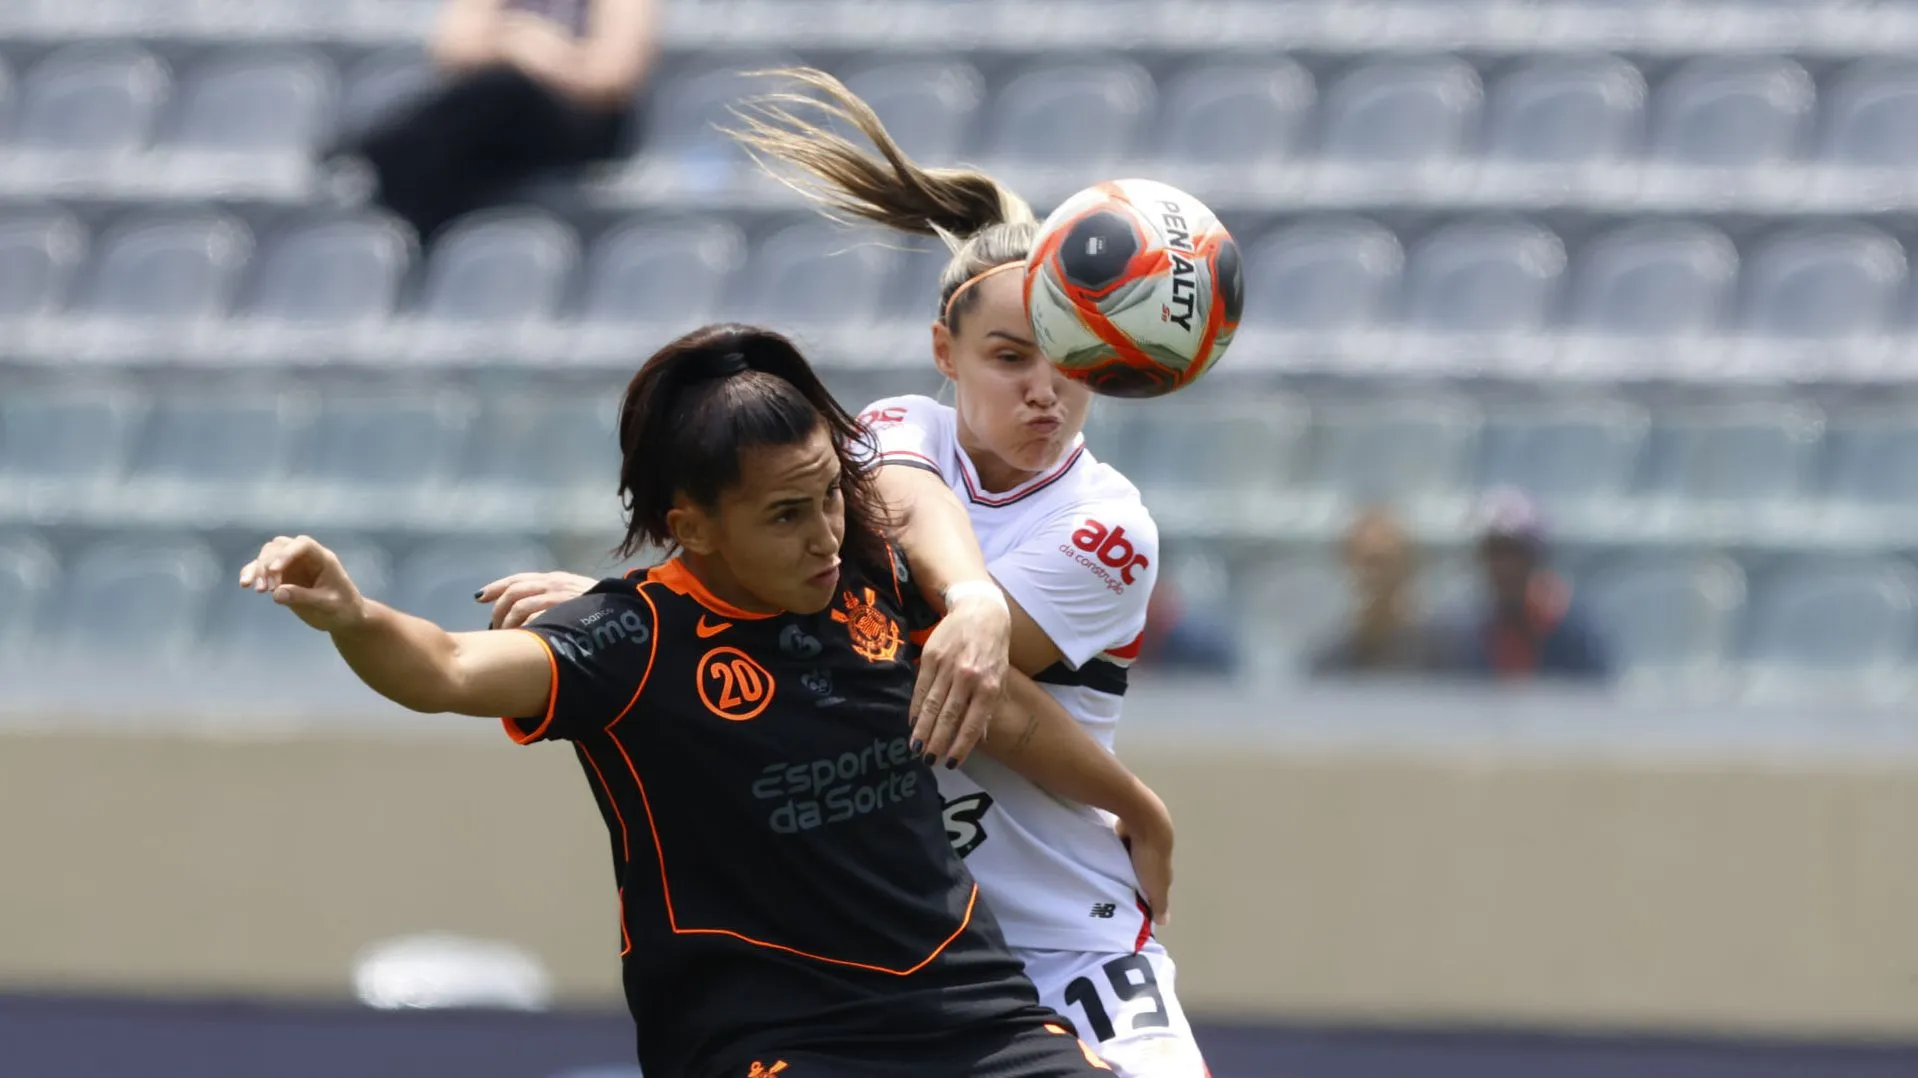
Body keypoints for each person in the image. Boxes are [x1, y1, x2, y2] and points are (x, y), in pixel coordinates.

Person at [482, 70, 1209, 1077]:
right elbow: (858, 555)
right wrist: (645, 610)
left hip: (1061, 930)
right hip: (904, 956)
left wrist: (644, 617)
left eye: (1070, 358)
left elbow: (948, 680)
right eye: (1008, 356)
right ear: (943, 354)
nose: (1044, 387)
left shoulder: (1107, 526)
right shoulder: (895, 429)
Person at [236, 324, 1121, 1078]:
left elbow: (1007, 703)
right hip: (775, 1040)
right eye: (785, 515)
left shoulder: (871, 579)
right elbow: (447, 668)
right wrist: (352, 615)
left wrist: (1140, 812)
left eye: (827, 500)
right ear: (691, 524)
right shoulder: (629, 644)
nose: (823, 535)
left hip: (974, 1017)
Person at [330, 0, 658, 240]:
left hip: (579, 122)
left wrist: (537, 52)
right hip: (496, 120)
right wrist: (521, 49)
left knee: (501, 91)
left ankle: (376, 149)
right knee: (490, 96)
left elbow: (610, 79)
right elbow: (453, 51)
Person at [1450, 488, 1612, 683]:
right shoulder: (1461, 634)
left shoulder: (1574, 632)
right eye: (1495, 553)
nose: (1504, 566)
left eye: (1515, 553)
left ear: (1536, 558)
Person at [1310, 507, 1452, 677]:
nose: (1374, 576)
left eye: (1384, 562)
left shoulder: (1444, 653)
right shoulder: (1330, 659)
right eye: (1366, 563)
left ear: (1408, 567)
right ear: (1347, 566)